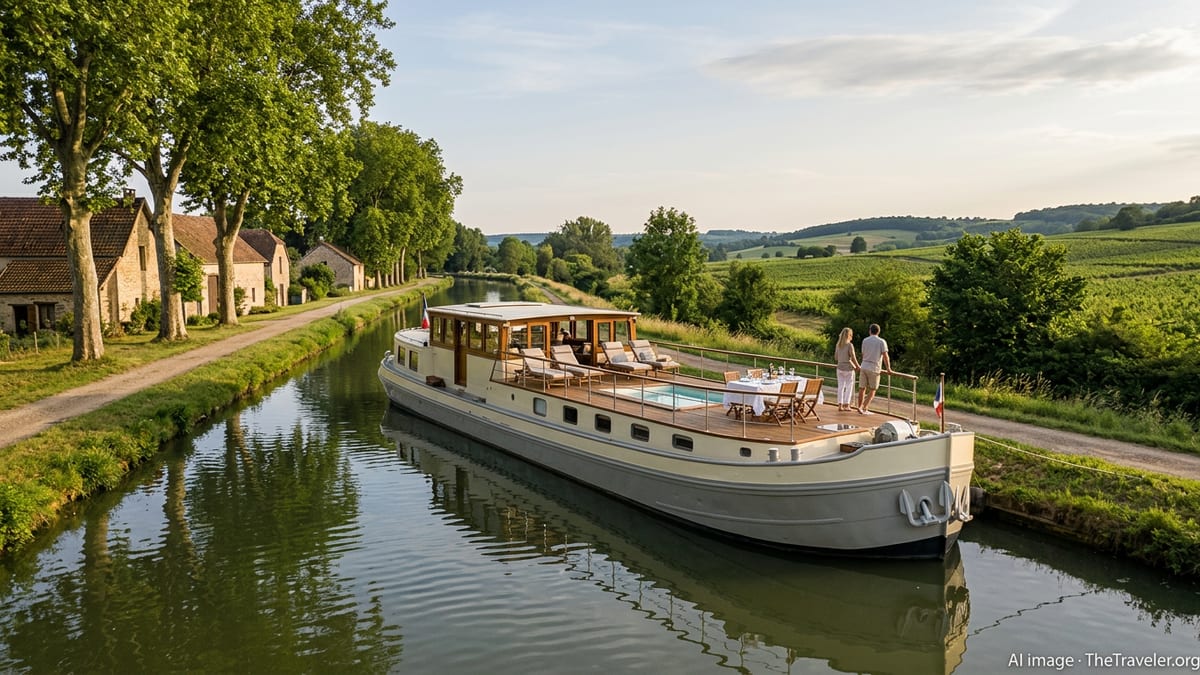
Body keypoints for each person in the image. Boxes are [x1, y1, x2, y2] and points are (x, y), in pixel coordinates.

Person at [856, 323, 891, 415]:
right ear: (878, 331)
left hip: (864, 365)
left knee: (862, 388)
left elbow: (863, 354)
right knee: (873, 389)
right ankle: (864, 407)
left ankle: (859, 407)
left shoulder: (865, 340)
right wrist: (888, 368)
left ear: (870, 330)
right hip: (874, 367)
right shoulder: (881, 342)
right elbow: (885, 356)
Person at [834, 327, 860, 412]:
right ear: (849, 335)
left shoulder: (838, 345)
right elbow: (853, 357)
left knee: (840, 387)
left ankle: (840, 405)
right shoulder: (849, 345)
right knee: (849, 386)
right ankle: (846, 405)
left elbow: (836, 357)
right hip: (848, 368)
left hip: (839, 368)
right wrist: (857, 366)